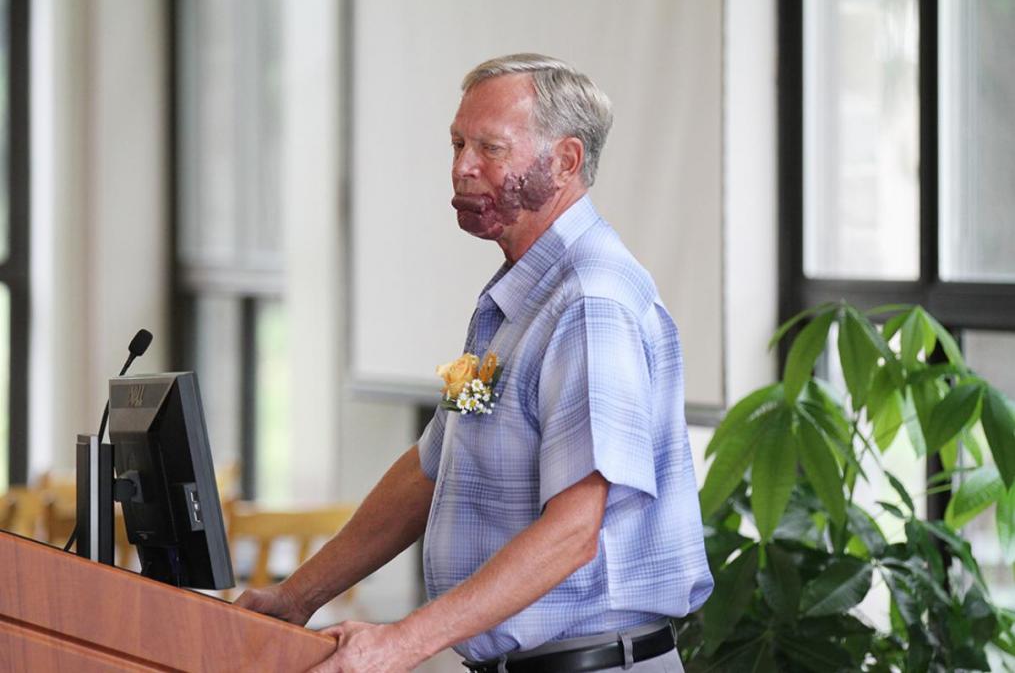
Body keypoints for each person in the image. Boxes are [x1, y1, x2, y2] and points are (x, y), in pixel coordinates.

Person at [236, 53, 713, 673]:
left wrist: (401, 643)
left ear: (566, 161)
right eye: (458, 142)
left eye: (490, 148)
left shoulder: (589, 304)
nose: (462, 166)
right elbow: (432, 468)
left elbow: (573, 532)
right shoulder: (517, 300)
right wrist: (295, 597)